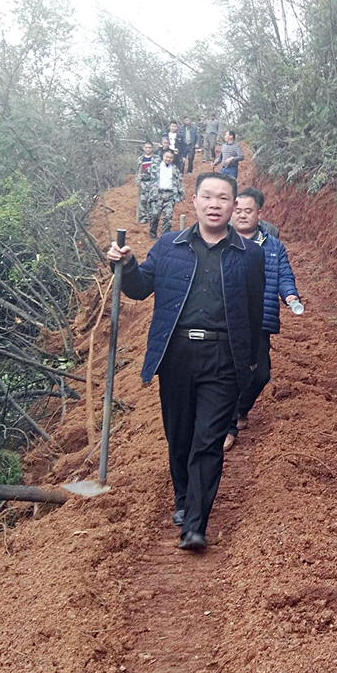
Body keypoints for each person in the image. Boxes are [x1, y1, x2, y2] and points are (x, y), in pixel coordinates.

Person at [106, 172, 265, 551]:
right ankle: (182, 500)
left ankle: (195, 523)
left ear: (232, 205)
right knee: (179, 434)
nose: (215, 204)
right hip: (175, 353)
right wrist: (125, 264)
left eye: (223, 198)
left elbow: (254, 311)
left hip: (223, 356)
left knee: (208, 440)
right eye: (207, 197)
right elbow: (141, 288)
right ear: (192, 200)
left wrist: (250, 362)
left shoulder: (250, 254)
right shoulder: (168, 246)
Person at [224, 186, 301, 449]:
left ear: (260, 213)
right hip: (226, 320)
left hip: (259, 320)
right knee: (231, 372)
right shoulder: (221, 240)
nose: (242, 215)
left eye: (248, 211)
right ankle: (228, 425)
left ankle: (241, 408)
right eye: (238, 210)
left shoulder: (273, 246)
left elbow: (284, 275)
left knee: (261, 374)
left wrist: (290, 296)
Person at [148, 148, 185, 239]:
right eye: (167, 157)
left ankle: (164, 237)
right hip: (157, 194)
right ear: (163, 156)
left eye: (170, 158)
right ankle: (152, 235)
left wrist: (182, 195)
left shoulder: (175, 169)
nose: (168, 159)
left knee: (167, 218)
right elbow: (146, 177)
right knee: (154, 216)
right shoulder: (155, 167)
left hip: (170, 195)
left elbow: (179, 182)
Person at [136, 141, 157, 224]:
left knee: (153, 199)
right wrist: (138, 179)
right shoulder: (141, 159)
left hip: (153, 181)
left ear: (152, 148)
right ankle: (144, 216)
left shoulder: (156, 159)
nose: (148, 149)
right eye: (146, 147)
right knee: (143, 199)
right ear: (144, 148)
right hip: (143, 181)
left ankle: (152, 216)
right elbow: (138, 170)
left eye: (150, 147)